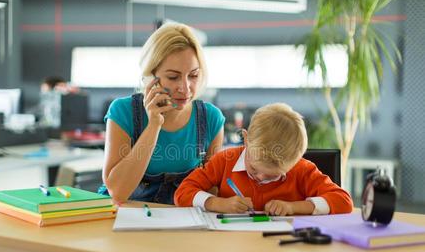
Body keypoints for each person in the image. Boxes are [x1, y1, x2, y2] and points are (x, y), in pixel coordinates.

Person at [100, 22, 225, 205]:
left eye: (193, 75)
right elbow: (118, 193)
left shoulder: (210, 118)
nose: (185, 88)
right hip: (124, 218)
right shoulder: (123, 111)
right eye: (173, 77)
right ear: (151, 76)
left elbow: (211, 192)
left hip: (181, 221)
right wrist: (153, 126)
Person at [174, 103, 353, 215]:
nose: (260, 178)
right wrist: (218, 203)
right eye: (254, 169)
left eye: (272, 176)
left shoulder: (301, 170)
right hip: (232, 250)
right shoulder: (225, 160)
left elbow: (343, 201)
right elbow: (182, 193)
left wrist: (293, 208)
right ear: (246, 139)